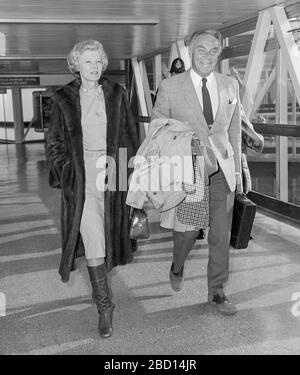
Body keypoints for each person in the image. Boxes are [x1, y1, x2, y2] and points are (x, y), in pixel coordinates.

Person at [47, 39, 139, 338]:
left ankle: (102, 295)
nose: (95, 67)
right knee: (93, 235)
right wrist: (68, 173)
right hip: (82, 174)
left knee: (112, 233)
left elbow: (128, 135)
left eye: (99, 61)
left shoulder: (116, 93)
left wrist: (132, 177)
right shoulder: (63, 98)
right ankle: (104, 305)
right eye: (88, 61)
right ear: (76, 64)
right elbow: (55, 143)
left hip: (112, 170)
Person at [151, 29, 242, 315]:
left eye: (214, 50)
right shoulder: (170, 86)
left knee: (220, 235)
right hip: (189, 170)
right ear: (190, 52)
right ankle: (177, 264)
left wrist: (238, 170)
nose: (207, 56)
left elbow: (234, 130)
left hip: (220, 171)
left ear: (219, 53)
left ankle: (217, 292)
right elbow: (156, 128)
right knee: (188, 233)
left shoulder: (230, 85)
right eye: (201, 50)